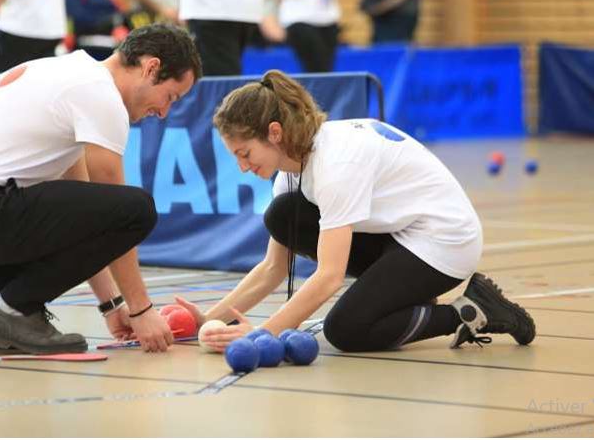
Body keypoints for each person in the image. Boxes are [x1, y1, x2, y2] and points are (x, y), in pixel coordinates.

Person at [175, 70, 535, 353]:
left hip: (443, 242)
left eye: (244, 154)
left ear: (274, 133)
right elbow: (273, 267)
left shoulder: (335, 162)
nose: (242, 167)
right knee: (284, 215)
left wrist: (263, 334)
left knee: (346, 330)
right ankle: (407, 298)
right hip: (398, 235)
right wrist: (207, 320)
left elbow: (329, 276)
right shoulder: (292, 167)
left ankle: (471, 311)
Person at [0, 24, 203, 354]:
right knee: (138, 209)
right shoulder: (101, 94)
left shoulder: (70, 73)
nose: (164, 112)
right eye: (170, 97)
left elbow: (90, 225)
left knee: (103, 212)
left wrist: (111, 305)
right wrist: (141, 310)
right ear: (150, 67)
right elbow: (121, 214)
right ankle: (14, 309)